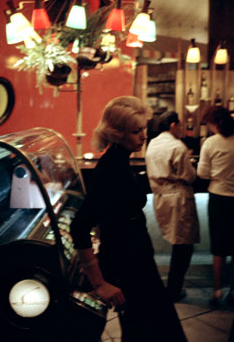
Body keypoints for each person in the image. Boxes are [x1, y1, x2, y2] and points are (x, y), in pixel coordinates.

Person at [70, 96, 187, 342]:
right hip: (129, 270)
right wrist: (99, 282)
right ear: (116, 133)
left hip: (138, 263)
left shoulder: (119, 160)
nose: (143, 136)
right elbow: (79, 226)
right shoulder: (111, 168)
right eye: (136, 131)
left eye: (143, 128)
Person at [145, 111, 200, 303]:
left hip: (160, 198)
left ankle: (169, 288)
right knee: (184, 246)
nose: (183, 129)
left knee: (176, 243)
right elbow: (189, 176)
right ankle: (173, 290)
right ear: (172, 125)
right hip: (179, 199)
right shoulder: (177, 146)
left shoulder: (152, 143)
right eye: (180, 125)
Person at [197, 105, 234, 307]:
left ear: (215, 123)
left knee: (219, 247)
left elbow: (202, 173)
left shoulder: (210, 143)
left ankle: (216, 291)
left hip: (219, 197)